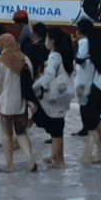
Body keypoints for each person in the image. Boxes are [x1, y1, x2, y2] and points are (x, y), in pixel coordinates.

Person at [0, 33, 37, 173]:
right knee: (22, 133)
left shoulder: (1, 59)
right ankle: (30, 159)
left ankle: (9, 165)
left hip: (5, 105)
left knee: (6, 134)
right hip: (21, 104)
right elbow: (31, 80)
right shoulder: (25, 59)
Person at [32, 27, 75, 168]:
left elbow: (49, 76)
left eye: (46, 39)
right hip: (64, 95)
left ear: (52, 41)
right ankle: (55, 155)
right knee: (58, 127)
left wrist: (34, 87)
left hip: (55, 96)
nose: (45, 41)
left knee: (56, 130)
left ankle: (60, 161)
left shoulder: (54, 55)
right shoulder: (66, 53)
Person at [74, 26, 101, 165]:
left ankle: (92, 154)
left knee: (91, 127)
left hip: (92, 93)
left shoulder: (88, 58)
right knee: (98, 125)